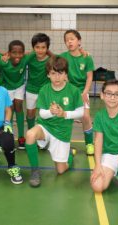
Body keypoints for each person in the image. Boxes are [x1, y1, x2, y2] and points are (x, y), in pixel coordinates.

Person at [25, 56, 84, 187]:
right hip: (46, 127)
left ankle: (69, 156)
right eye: (53, 73)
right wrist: (51, 112)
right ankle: (35, 171)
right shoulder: (44, 90)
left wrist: (64, 114)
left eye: (60, 73)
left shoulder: (73, 91)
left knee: (61, 170)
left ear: (66, 74)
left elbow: (81, 112)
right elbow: (41, 114)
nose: (56, 77)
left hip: (62, 132)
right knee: (30, 134)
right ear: (48, 74)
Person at [60, 29, 95, 155]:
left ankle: (90, 144)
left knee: (85, 116)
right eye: (66, 40)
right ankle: (65, 144)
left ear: (79, 41)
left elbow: (90, 77)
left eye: (72, 39)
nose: (69, 42)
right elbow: (63, 75)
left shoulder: (87, 57)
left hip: (83, 91)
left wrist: (85, 92)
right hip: (68, 91)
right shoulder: (63, 57)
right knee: (66, 117)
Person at [0, 40, 28, 149]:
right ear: (9, 53)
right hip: (8, 88)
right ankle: (8, 136)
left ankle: (21, 137)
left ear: (23, 53)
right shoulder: (3, 61)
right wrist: (3, 55)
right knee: (9, 110)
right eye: (14, 52)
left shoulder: (25, 59)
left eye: (20, 53)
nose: (17, 55)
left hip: (19, 86)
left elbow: (37, 52)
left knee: (19, 107)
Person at [25, 33, 50, 131]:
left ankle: (45, 134)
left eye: (43, 47)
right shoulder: (30, 58)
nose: (40, 50)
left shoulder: (50, 60)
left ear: (47, 48)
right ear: (33, 48)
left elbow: (62, 60)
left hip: (45, 91)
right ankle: (31, 133)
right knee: (30, 114)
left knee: (45, 113)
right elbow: (17, 58)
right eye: (37, 47)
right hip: (31, 90)